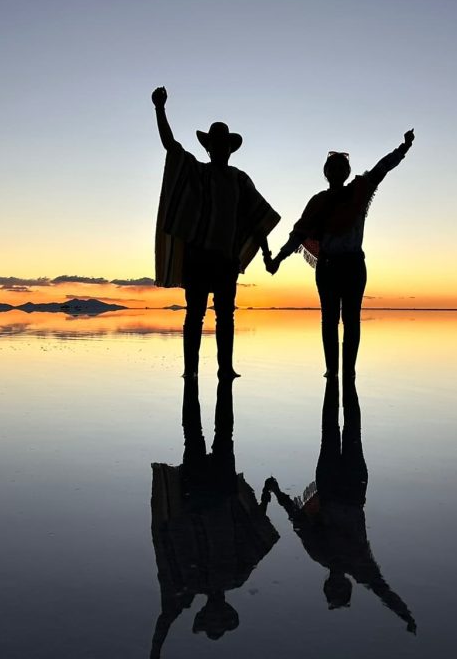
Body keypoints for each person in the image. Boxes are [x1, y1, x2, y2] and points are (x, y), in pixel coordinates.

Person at [262, 377, 417, 634]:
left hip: (332, 486)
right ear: (348, 586)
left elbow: (298, 520)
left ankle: (335, 376)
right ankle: (346, 377)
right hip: (354, 489)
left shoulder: (321, 554)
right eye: (340, 590)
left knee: (332, 430)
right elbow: (384, 592)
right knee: (350, 429)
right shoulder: (361, 568)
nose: (336, 585)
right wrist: (405, 614)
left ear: (326, 586)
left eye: (332, 589)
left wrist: (278, 493)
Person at [152, 86, 280, 378]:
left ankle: (226, 368)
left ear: (229, 149)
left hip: (226, 261)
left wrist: (267, 254)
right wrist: (160, 109)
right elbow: (171, 146)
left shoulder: (239, 179)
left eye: (224, 145)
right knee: (194, 315)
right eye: (216, 144)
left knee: (226, 317)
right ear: (209, 148)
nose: (220, 148)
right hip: (197, 258)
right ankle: (190, 371)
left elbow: (257, 218)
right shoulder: (198, 172)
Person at [149, 376, 280, 658]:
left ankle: (195, 374)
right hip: (221, 493)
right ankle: (218, 376)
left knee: (195, 434)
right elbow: (255, 535)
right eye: (221, 618)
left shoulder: (190, 586)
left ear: (205, 613)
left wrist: (156, 649)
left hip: (195, 496)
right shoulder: (237, 577)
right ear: (228, 611)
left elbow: (166, 615)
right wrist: (267, 497)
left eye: (212, 619)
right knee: (222, 433)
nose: (217, 612)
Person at [266, 130, 415, 378]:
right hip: (327, 267)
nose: (336, 173)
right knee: (329, 321)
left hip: (354, 266)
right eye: (331, 169)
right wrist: (279, 259)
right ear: (326, 173)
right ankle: (331, 370)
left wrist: (403, 148)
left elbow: (382, 168)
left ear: (346, 172)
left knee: (352, 321)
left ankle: (350, 371)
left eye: (340, 168)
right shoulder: (318, 202)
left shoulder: (359, 190)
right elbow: (299, 233)